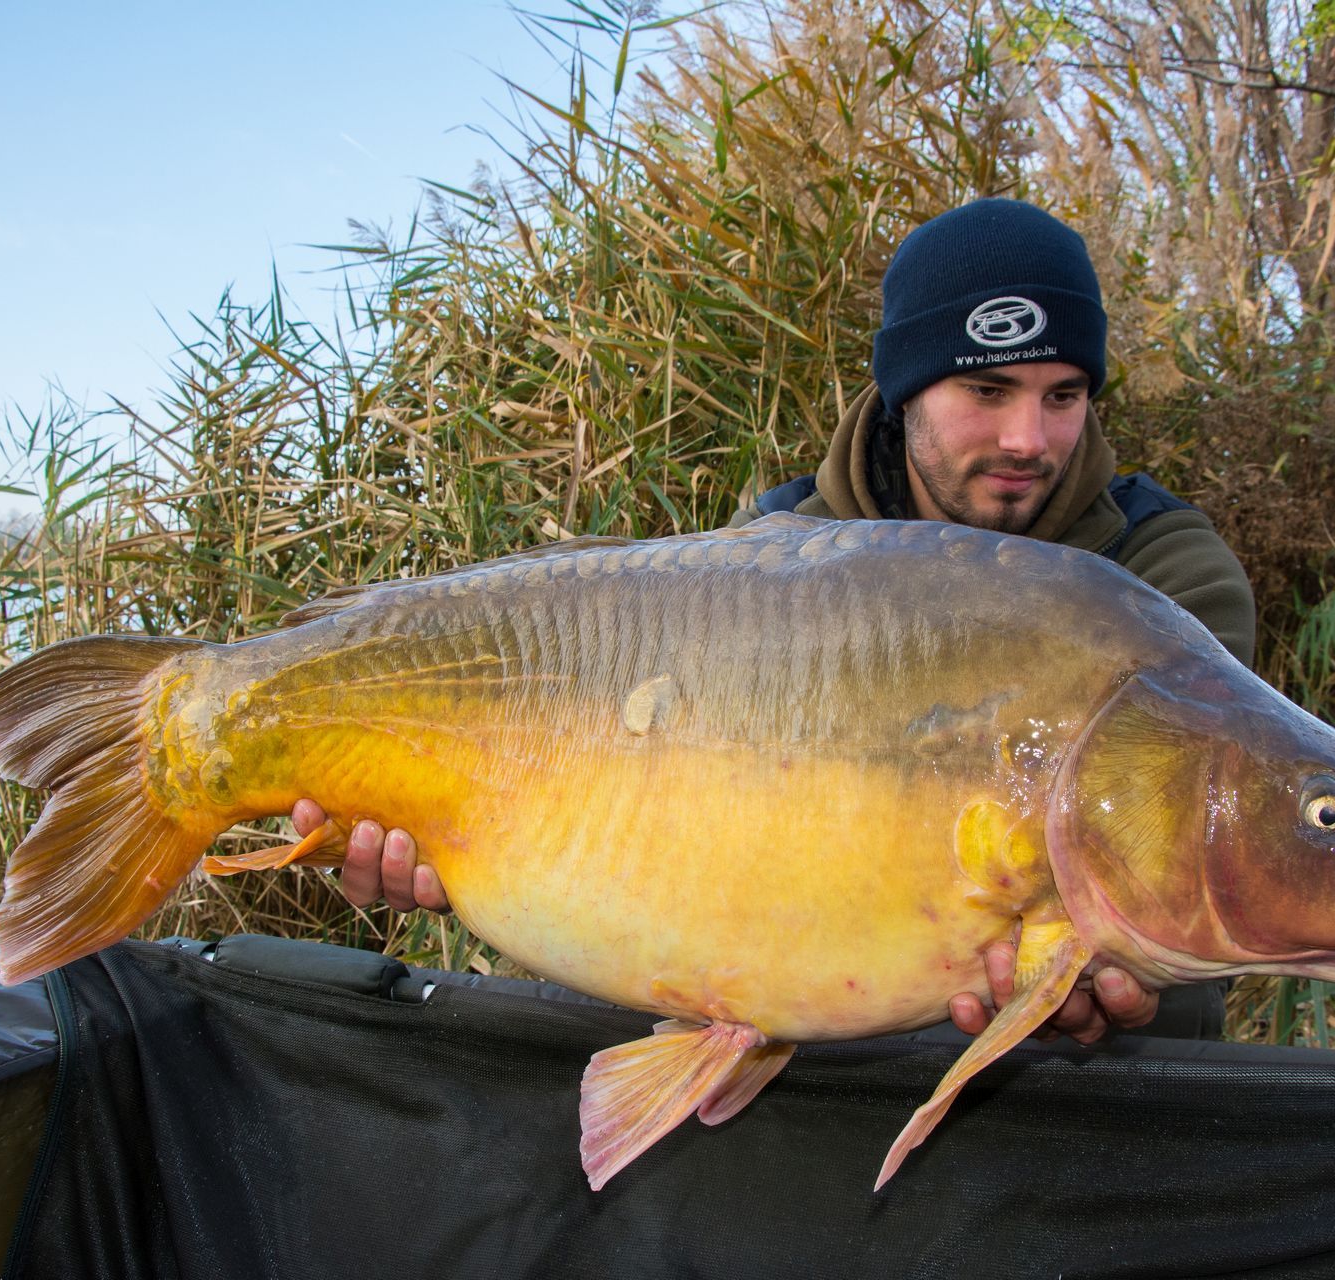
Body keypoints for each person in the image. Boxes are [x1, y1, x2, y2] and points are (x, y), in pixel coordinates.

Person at [294, 198, 1258, 1044]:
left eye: (1065, 397)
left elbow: (1195, 873)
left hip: (1111, 1087)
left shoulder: (1159, 579)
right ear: (906, 389)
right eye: (987, 391)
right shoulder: (773, 563)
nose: (1028, 440)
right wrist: (464, 855)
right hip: (821, 1041)